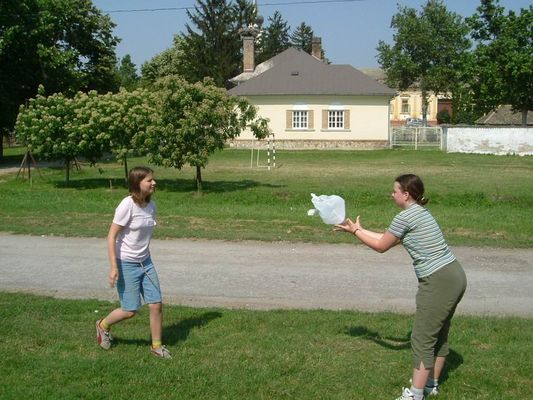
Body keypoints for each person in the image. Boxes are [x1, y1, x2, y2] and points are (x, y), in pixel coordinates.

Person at [335, 174, 466, 400]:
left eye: (395, 191)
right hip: (454, 275)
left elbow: (380, 246)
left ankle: (415, 395)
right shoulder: (420, 213)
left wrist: (355, 232)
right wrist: (357, 229)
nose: (392, 194)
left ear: (406, 194)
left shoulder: (404, 217)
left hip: (438, 280)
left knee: (422, 338)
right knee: (439, 335)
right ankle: (430, 386)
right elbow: (388, 238)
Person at [95, 166, 171, 359]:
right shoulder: (126, 205)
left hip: (146, 262)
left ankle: (156, 346)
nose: (154, 183)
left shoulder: (151, 207)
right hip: (126, 263)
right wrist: (114, 266)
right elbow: (111, 236)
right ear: (137, 184)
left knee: (156, 304)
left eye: (153, 179)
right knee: (129, 311)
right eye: (149, 180)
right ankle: (103, 325)